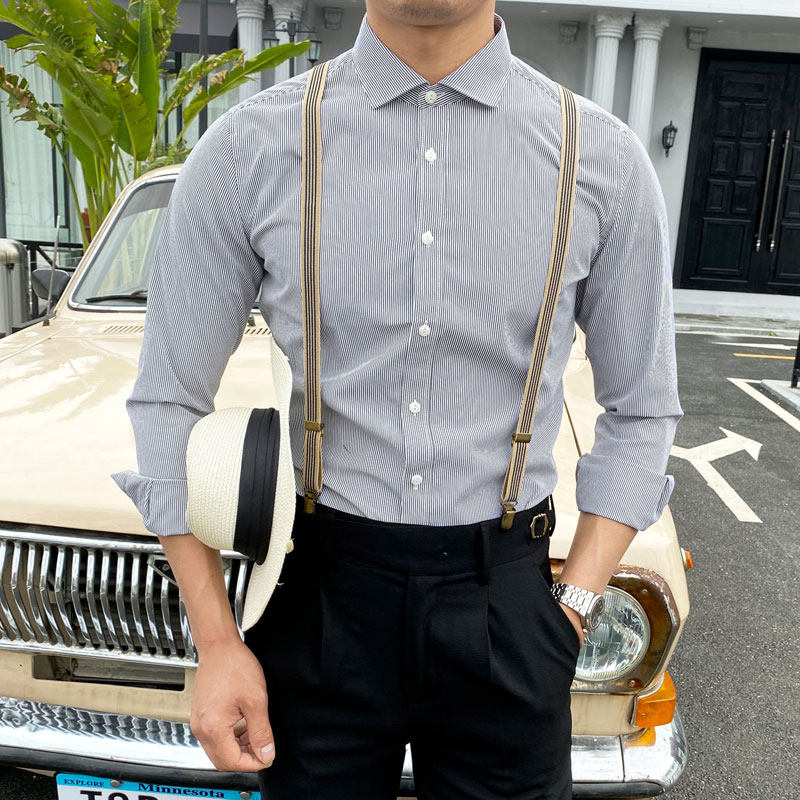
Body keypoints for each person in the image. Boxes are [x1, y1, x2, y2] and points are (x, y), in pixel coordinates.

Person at [112, 1, 683, 798]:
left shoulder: (603, 160)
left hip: (509, 603)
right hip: (321, 597)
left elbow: (643, 409)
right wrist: (216, 641)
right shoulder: (249, 149)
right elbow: (167, 400)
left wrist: (572, 609)